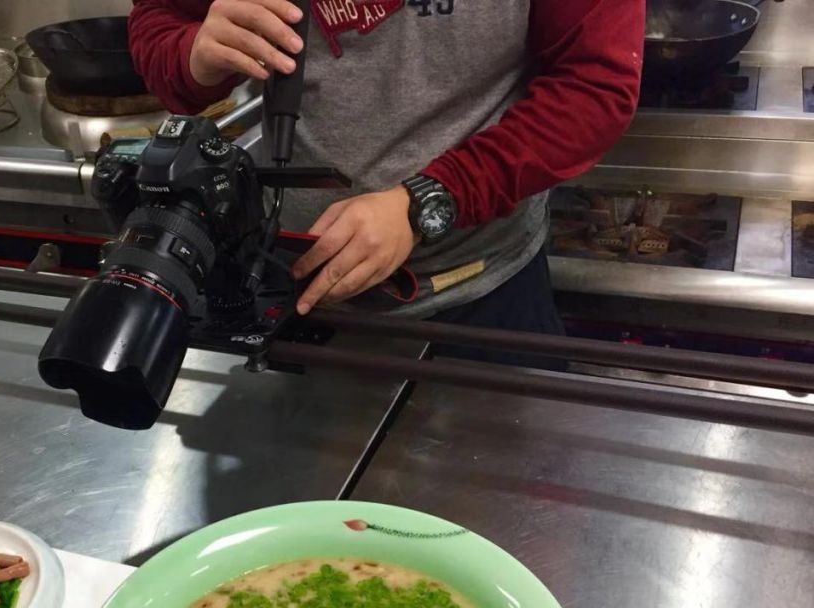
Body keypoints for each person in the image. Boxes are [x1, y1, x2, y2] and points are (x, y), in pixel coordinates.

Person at [127, 0, 644, 351]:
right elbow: (162, 22)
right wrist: (194, 55)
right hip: (279, 288)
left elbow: (594, 84)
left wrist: (432, 197)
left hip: (480, 297)